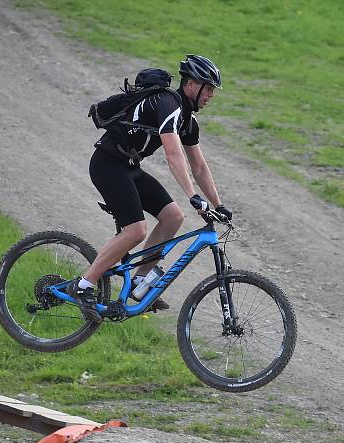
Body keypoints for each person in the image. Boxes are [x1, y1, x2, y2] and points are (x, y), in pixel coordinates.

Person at [68, 54, 232, 322]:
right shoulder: (168, 104)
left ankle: (140, 281)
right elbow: (173, 154)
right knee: (135, 231)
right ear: (191, 84)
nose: (211, 94)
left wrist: (219, 204)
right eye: (209, 88)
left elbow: (199, 167)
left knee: (173, 216)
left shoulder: (188, 120)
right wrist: (193, 196)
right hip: (107, 165)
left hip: (129, 167)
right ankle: (84, 285)